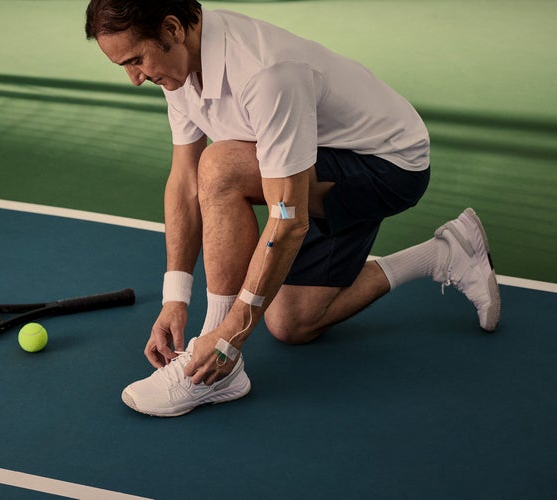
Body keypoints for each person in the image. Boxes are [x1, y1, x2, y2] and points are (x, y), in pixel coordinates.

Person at [85, 0, 501, 417]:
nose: (135, 78)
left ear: (172, 28)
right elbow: (183, 183)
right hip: (317, 159)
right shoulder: (181, 69)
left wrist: (227, 339)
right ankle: (447, 251)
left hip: (387, 167)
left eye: (137, 60)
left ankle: (213, 370)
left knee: (221, 167)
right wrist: (175, 297)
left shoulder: (265, 73)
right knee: (291, 323)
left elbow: (288, 220)